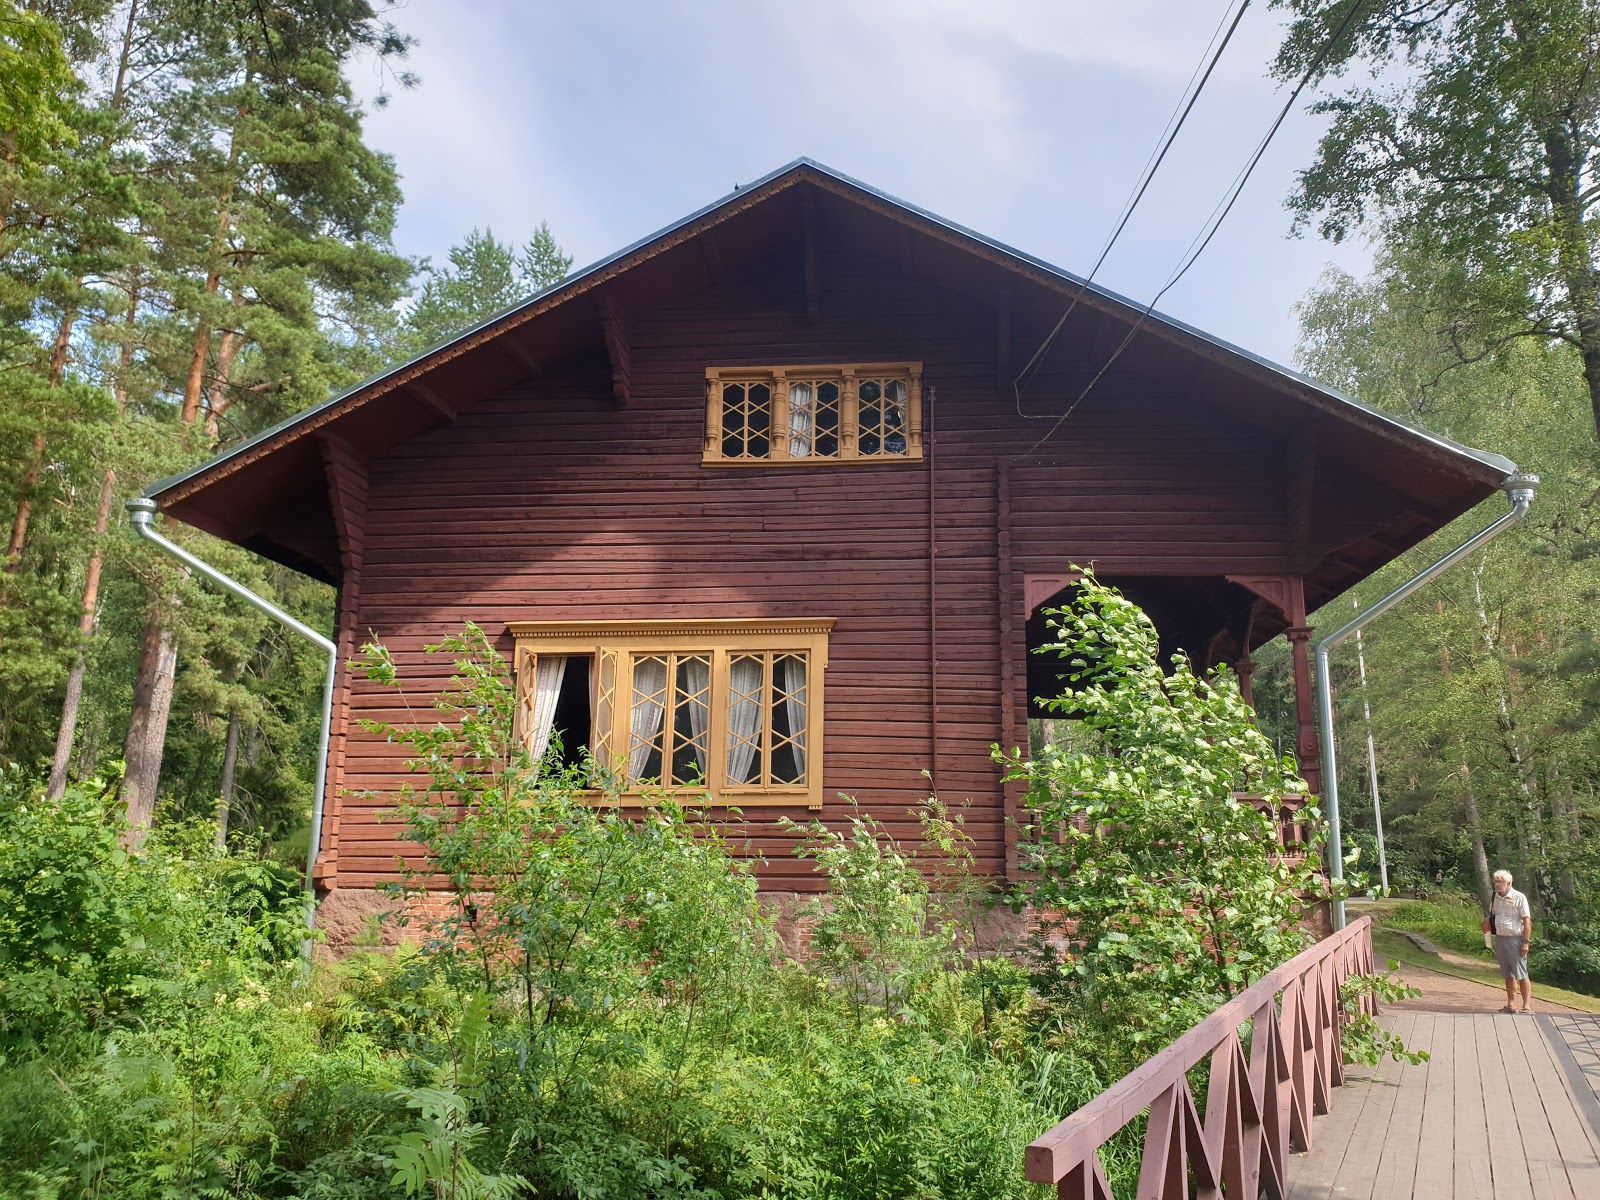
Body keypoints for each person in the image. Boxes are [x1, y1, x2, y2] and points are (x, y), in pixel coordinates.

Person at [1483, 869, 1533, 1013]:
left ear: (1509, 883)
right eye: (1496, 881)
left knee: (1521, 973)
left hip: (1515, 939)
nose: (1497, 885)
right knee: (1507, 973)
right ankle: (1511, 1004)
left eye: (1500, 882)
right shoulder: (1495, 897)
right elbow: (1493, 915)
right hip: (1500, 938)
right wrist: (1486, 925)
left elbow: (1527, 922)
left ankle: (1526, 1006)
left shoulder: (1519, 897)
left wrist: (1525, 942)